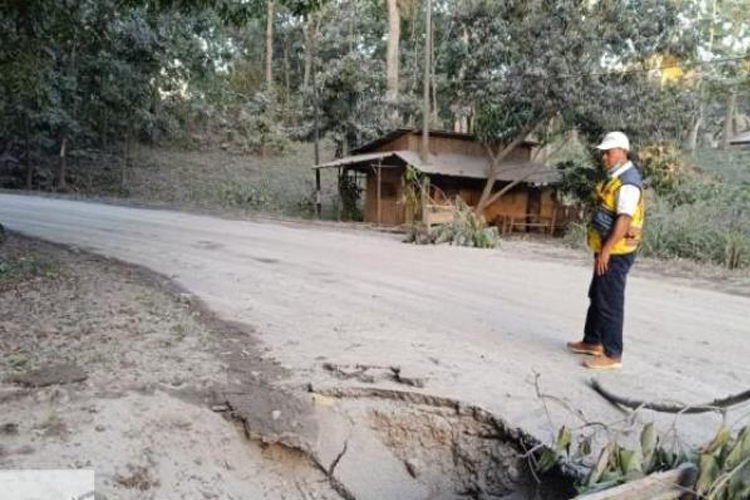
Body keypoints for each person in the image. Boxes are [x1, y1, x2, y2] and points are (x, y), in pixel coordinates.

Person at [567, 131, 645, 370]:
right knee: (598, 295)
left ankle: (612, 353)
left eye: (608, 153)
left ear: (622, 152)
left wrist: (606, 251)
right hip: (607, 248)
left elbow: (624, 220)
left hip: (617, 251)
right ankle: (593, 341)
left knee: (610, 300)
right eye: (603, 153)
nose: (604, 157)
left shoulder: (628, 183)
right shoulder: (616, 178)